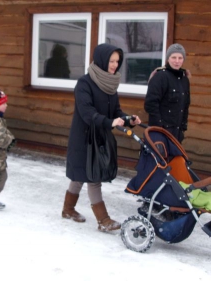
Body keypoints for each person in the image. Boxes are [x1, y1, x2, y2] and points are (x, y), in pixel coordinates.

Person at [63, 43, 141, 232]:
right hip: (84, 138)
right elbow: (87, 112)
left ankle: (67, 209)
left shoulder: (110, 84)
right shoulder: (84, 83)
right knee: (92, 176)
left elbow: (115, 111)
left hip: (100, 137)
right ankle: (103, 220)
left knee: (80, 174)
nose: (114, 65)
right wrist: (109, 122)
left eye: (117, 61)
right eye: (111, 61)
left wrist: (128, 119)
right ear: (101, 60)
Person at [144, 43, 191, 143]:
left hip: (176, 133)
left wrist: (183, 127)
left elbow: (185, 105)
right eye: (173, 57)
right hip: (160, 133)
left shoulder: (184, 79)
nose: (177, 61)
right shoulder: (160, 77)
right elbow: (150, 104)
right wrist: (159, 127)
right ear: (168, 58)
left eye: (180, 57)